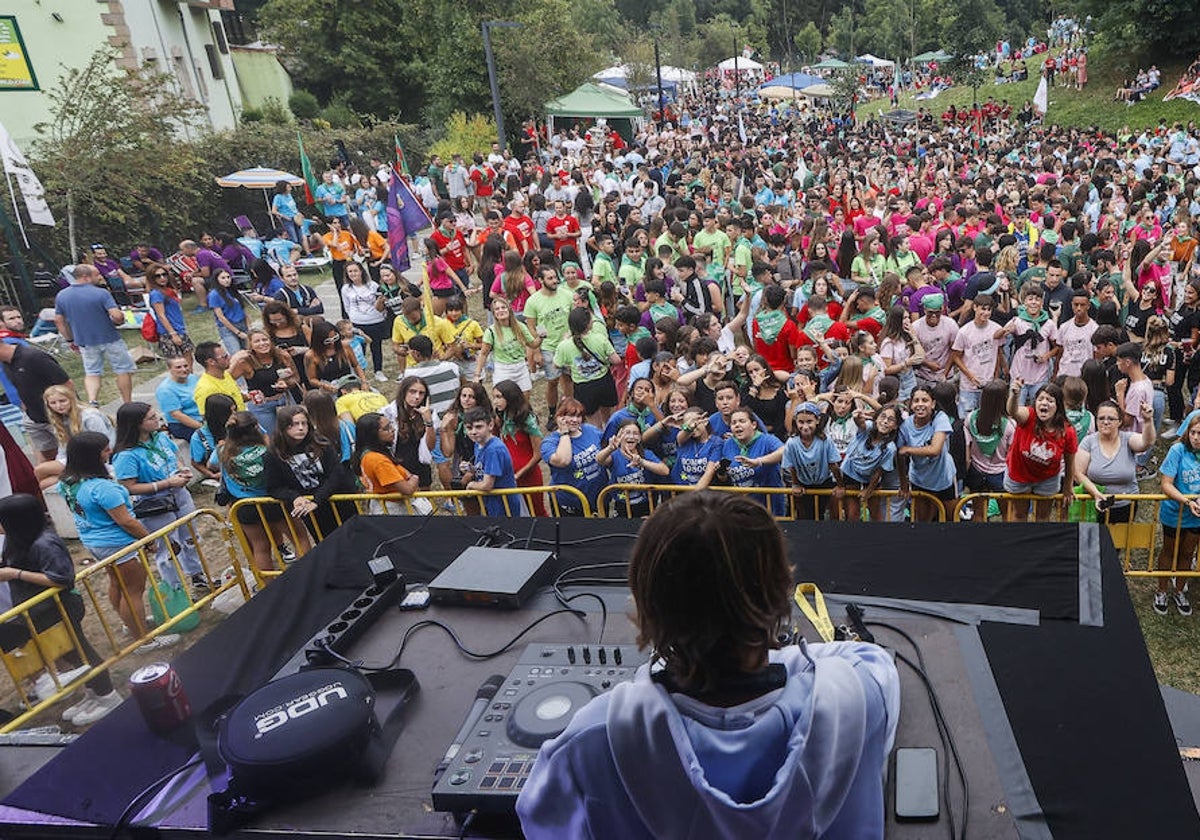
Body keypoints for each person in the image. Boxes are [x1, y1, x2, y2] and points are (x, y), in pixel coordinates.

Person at [516, 491, 899, 840]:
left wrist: (646, 679)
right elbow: (865, 658)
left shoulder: (596, 737)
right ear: (780, 594)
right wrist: (767, 648)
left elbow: (543, 825)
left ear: (648, 606)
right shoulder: (855, 696)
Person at [0, 494, 123, 725]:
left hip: (60, 609)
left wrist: (14, 574)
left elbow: (63, 578)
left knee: (79, 651)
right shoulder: (19, 541)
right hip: (41, 612)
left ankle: (108, 695)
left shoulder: (44, 543)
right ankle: (92, 692)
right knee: (68, 653)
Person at [57, 432, 179, 651]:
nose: (110, 452)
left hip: (94, 541)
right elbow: (126, 521)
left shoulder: (67, 482)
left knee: (117, 583)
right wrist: (148, 540)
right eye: (105, 450)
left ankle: (130, 623)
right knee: (133, 590)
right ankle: (144, 639)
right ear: (91, 456)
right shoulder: (103, 488)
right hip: (119, 543)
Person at [111, 403, 207, 592]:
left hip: (180, 495)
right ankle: (175, 590)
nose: (157, 420)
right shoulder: (126, 455)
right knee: (169, 547)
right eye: (151, 418)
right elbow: (128, 487)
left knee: (190, 538)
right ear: (136, 424)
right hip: (155, 505)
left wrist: (182, 470)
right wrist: (166, 484)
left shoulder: (161, 438)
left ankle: (198, 576)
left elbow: (175, 456)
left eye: (156, 416)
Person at [264, 405, 358, 543]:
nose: (301, 428)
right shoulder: (273, 455)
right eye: (294, 424)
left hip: (337, 500)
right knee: (328, 545)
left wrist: (317, 500)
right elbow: (274, 487)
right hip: (311, 510)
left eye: (304, 423)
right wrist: (294, 497)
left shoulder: (322, 444)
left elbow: (336, 474)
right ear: (283, 427)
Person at [217, 411, 291, 571]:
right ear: (256, 428)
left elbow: (212, 465)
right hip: (271, 501)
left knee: (261, 547)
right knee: (297, 537)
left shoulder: (223, 451)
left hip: (244, 505)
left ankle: (267, 587)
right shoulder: (267, 451)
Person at [53, 263, 135, 405]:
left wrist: (69, 340)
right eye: (96, 274)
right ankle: (127, 402)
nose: (100, 277)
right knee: (122, 370)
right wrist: (121, 320)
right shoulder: (101, 293)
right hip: (110, 337)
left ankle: (92, 400)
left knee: (92, 372)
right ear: (86, 277)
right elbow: (116, 315)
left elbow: (59, 321)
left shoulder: (62, 296)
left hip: (85, 341)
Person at [1004, 380, 1078, 522]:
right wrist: (1014, 395)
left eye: (1050, 400)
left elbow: (1070, 462)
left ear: (1058, 406)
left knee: (1043, 516)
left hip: (1047, 478)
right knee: (1019, 514)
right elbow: (1012, 411)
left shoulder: (1067, 430)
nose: (1044, 403)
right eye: (1040, 399)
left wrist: (1068, 487)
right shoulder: (1028, 416)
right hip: (1019, 474)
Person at [1076, 400, 1156, 524]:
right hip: (1095, 504)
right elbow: (1078, 473)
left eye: (1111, 419)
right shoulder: (1088, 442)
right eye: (1101, 418)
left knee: (1120, 542)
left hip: (1126, 505)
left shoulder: (1128, 439)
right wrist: (1096, 493)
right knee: (1094, 542)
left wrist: (1148, 421)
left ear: (1119, 422)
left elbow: (1147, 443)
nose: (1105, 422)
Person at [0, 340, 71, 463]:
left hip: (59, 416)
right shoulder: (6, 364)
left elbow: (66, 384)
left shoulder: (33, 357)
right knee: (49, 457)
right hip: (35, 419)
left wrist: (67, 411)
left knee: (73, 453)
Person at [34, 385, 115, 489]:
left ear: (71, 400)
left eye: (62, 401)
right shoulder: (60, 418)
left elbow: (107, 444)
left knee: (40, 469)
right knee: (43, 484)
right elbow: (63, 448)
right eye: (53, 403)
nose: (59, 406)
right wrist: (59, 463)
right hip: (76, 459)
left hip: (96, 460)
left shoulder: (90, 417)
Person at [898, 384, 957, 521]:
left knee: (951, 519)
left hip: (944, 478)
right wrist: (903, 482)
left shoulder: (940, 418)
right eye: (916, 401)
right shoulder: (905, 426)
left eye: (925, 400)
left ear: (933, 403)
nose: (920, 405)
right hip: (920, 480)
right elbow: (899, 456)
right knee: (923, 521)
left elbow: (935, 450)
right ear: (911, 404)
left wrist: (908, 449)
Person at [555, 307, 621, 427]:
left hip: (583, 387)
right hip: (604, 382)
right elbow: (616, 360)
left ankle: (598, 442)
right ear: (588, 324)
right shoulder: (600, 338)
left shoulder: (564, 346)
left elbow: (556, 365)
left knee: (593, 422)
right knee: (609, 419)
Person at [229, 330, 299, 435]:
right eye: (257, 341)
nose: (262, 343)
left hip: (285, 400)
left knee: (294, 433)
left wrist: (287, 383)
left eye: (265, 339)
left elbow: (296, 378)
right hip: (262, 407)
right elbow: (226, 382)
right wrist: (244, 396)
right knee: (270, 438)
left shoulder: (282, 355)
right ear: (251, 345)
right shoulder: (244, 362)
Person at [493, 380, 547, 516]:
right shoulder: (501, 417)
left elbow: (538, 454)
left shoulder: (527, 420)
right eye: (494, 397)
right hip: (508, 475)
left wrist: (519, 474)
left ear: (510, 397)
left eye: (499, 397)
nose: (495, 401)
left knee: (536, 512)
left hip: (529, 476)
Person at [460, 405, 527, 516]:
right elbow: (483, 468)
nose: (473, 432)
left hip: (504, 505)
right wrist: (470, 468)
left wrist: (471, 485)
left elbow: (487, 485)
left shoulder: (494, 449)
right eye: (469, 428)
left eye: (479, 427)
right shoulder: (478, 444)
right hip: (491, 503)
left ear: (490, 425)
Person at [352, 412, 421, 513]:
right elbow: (407, 489)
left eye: (391, 425)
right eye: (386, 428)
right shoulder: (377, 460)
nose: (392, 429)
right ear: (373, 434)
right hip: (394, 510)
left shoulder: (370, 454)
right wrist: (414, 478)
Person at [476, 297, 538, 394]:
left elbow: (533, 344)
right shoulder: (491, 331)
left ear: (509, 309)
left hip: (521, 367)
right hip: (503, 369)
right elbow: (483, 354)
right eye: (497, 309)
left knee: (524, 400)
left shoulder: (520, 326)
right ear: (494, 313)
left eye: (503, 307)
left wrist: (542, 337)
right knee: (504, 400)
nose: (501, 310)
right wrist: (477, 374)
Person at [340, 260, 390, 382]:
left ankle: (378, 371)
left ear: (361, 271)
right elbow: (346, 306)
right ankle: (360, 373)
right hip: (357, 323)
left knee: (376, 347)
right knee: (358, 349)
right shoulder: (345, 288)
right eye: (350, 271)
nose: (353, 274)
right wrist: (352, 318)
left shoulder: (372, 285)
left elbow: (381, 302)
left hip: (375, 321)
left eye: (355, 270)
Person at [146, 264, 194, 368]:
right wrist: (173, 334)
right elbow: (161, 315)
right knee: (179, 364)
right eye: (157, 276)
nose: (162, 278)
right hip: (169, 333)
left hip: (179, 329)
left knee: (189, 360)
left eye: (164, 275)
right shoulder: (156, 294)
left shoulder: (168, 290)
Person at [305, 318, 367, 394]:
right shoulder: (311, 355)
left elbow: (356, 365)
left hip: (349, 384)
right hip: (328, 389)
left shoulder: (345, 346)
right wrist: (324, 385)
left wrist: (363, 382)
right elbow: (312, 379)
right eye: (327, 341)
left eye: (335, 338)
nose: (332, 343)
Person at [156, 356, 202, 441]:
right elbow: (177, 415)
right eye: (178, 367)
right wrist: (201, 427)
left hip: (201, 416)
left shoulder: (192, 378)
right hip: (182, 424)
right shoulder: (165, 389)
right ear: (169, 369)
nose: (184, 369)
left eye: (186, 366)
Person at [193, 341, 246, 414]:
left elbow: (237, 397)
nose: (229, 358)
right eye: (224, 357)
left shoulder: (225, 375)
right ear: (211, 362)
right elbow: (209, 418)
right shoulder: (205, 389)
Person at [207, 268, 250, 355]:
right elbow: (221, 316)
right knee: (237, 353)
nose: (226, 280)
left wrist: (249, 326)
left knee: (248, 351)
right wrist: (237, 332)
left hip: (242, 323)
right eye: (223, 278)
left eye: (228, 277)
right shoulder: (214, 295)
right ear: (216, 279)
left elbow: (243, 310)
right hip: (228, 327)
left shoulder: (233, 291)